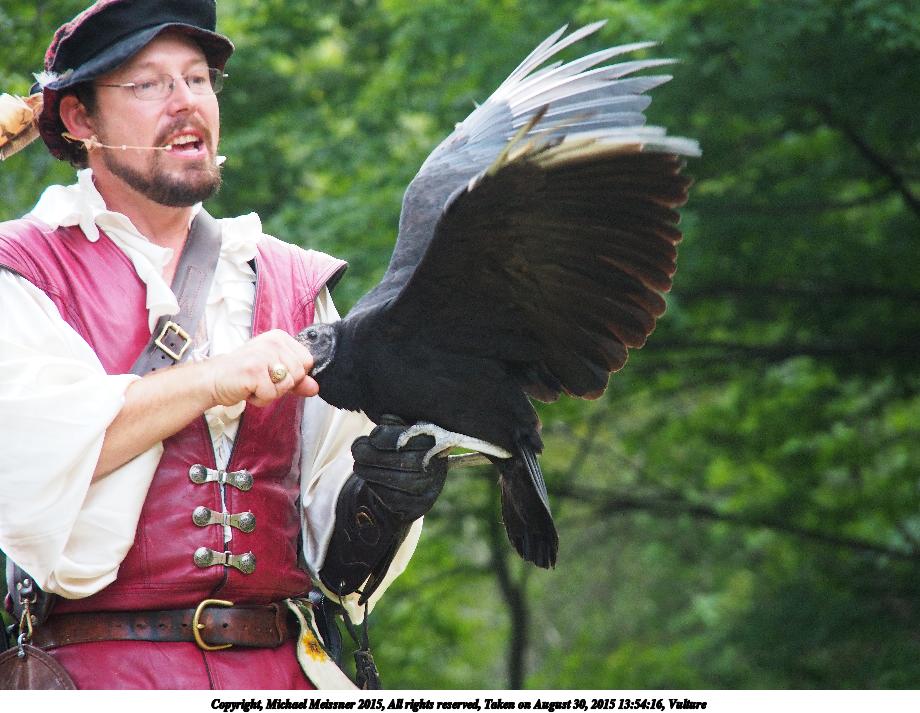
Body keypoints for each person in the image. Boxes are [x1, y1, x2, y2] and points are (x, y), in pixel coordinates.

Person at [0, 0, 446, 690]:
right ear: (82, 119)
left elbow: (335, 553)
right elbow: (27, 458)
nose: (186, 101)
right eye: (150, 84)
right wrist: (214, 377)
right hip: (96, 676)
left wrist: (386, 494)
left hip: (287, 674)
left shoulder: (291, 280)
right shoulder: (24, 272)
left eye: (197, 78)